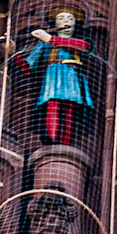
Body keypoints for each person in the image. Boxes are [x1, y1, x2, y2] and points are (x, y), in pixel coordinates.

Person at [22, 8, 95, 146]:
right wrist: (10, 50)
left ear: (75, 24)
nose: (66, 22)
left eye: (70, 19)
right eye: (61, 19)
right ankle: (52, 137)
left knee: (70, 108)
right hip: (53, 76)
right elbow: (29, 64)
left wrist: (50, 39)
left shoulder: (81, 41)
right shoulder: (44, 44)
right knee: (53, 104)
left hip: (72, 75)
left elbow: (85, 48)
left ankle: (65, 142)